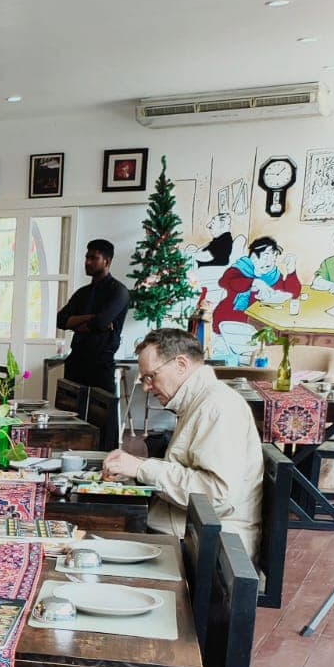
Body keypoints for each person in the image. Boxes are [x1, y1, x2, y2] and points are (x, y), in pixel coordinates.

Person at [102, 327, 263, 557]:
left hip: (210, 545)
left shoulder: (217, 406)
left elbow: (215, 495)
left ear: (180, 365)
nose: (146, 387)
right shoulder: (201, 400)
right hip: (189, 529)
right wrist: (136, 469)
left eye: (150, 376)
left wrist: (142, 468)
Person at [55, 239, 129, 394]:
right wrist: (90, 318)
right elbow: (60, 320)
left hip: (101, 366)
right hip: (76, 362)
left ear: (106, 261)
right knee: (68, 414)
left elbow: (100, 323)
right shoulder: (82, 293)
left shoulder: (119, 292)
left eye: (94, 258)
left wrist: (75, 322)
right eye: (86, 258)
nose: (88, 262)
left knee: (100, 416)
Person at [212, 236, 301, 364]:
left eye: (274, 256)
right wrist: (254, 282)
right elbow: (227, 282)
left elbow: (293, 293)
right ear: (253, 256)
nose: (270, 261)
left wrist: (291, 270)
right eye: (266, 255)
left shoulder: (273, 275)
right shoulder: (240, 269)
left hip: (258, 325)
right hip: (230, 327)